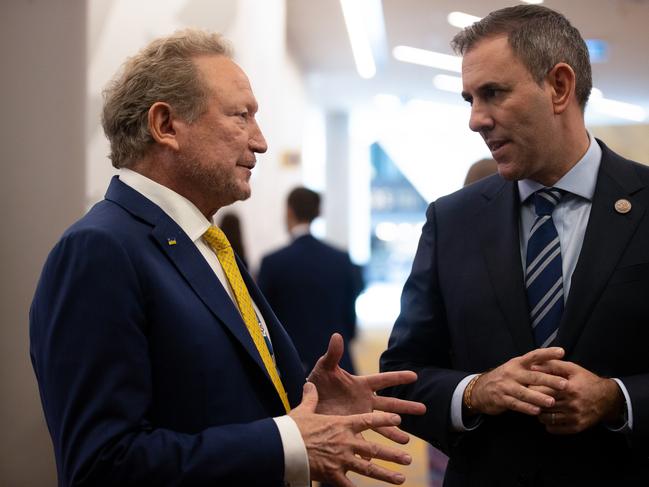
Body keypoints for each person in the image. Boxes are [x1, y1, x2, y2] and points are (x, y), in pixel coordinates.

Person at [29, 29, 426, 487]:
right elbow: (100, 465)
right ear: (166, 126)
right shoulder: (99, 251)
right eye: (242, 116)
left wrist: (305, 405)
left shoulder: (206, 244)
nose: (260, 142)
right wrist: (290, 443)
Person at [380, 5, 649, 486]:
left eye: (493, 94)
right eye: (469, 99)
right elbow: (403, 373)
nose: (475, 120)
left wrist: (616, 399)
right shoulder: (452, 220)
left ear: (559, 87)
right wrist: (474, 391)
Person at [258, 187, 362, 375]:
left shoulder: (273, 262)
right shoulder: (341, 259)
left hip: (293, 367)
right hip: (338, 364)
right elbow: (350, 317)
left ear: (289, 211)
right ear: (317, 212)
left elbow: (262, 322)